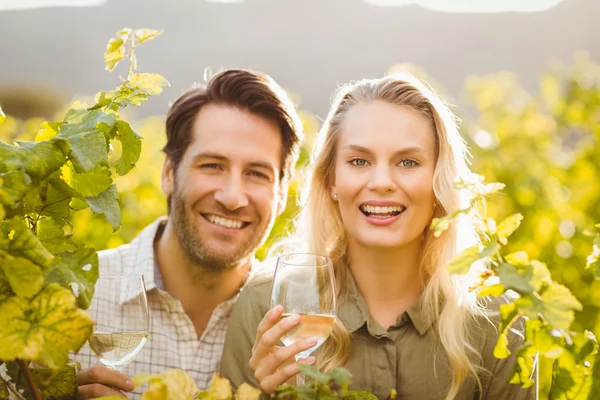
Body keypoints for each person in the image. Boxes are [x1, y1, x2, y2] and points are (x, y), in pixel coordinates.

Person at [219, 73, 536, 399]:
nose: (382, 182)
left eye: (408, 162)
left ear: (439, 183)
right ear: (332, 181)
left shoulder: (499, 322)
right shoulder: (267, 305)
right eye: (359, 161)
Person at [75, 69, 304, 399]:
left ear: (281, 194)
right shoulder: (76, 296)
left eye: (256, 173)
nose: (232, 197)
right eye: (212, 165)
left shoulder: (296, 330)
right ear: (169, 173)